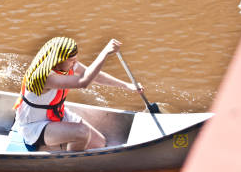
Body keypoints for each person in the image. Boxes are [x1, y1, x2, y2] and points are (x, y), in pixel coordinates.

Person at [12, 37, 143, 152]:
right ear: (58, 60)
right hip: (34, 126)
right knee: (82, 133)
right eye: (72, 60)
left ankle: (58, 145)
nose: (75, 63)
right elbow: (83, 81)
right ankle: (69, 164)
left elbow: (95, 76)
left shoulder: (64, 65)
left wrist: (126, 85)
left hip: (55, 116)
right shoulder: (45, 78)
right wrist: (105, 52)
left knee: (99, 143)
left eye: (76, 59)